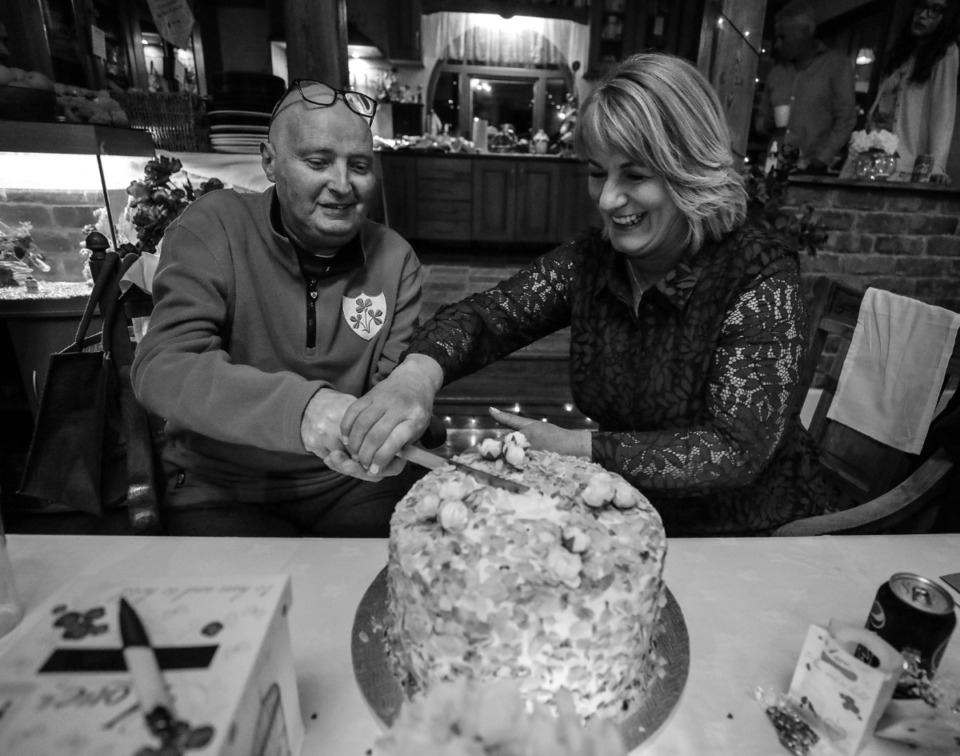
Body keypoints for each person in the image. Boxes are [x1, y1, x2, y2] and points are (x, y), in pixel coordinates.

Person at [328, 53, 829, 537]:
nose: (608, 200)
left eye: (634, 175)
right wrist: (416, 375)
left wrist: (581, 449)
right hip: (626, 513)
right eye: (597, 172)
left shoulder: (759, 275)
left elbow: (737, 451)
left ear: (690, 170)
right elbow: (490, 316)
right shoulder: (594, 261)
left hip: (749, 535)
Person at [130, 80, 425, 536]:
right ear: (269, 162)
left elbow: (390, 388)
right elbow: (163, 367)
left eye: (360, 166)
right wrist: (302, 411)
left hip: (353, 483)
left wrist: (395, 428)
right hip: (221, 484)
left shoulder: (396, 258)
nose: (343, 185)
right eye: (317, 162)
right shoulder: (214, 226)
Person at [756, 1, 857, 174]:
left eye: (783, 37)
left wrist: (821, 160)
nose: (778, 44)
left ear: (805, 33)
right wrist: (767, 124)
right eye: (777, 38)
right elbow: (760, 121)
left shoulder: (835, 65)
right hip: (773, 165)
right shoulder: (776, 74)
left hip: (811, 167)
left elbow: (846, 119)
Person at [864, 0, 960, 183]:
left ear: (946, 17)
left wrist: (937, 165)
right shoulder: (903, 52)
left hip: (905, 164)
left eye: (935, 10)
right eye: (921, 6)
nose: (923, 15)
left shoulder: (946, 52)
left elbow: (943, 111)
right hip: (874, 157)